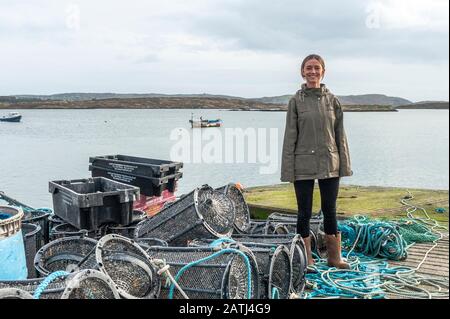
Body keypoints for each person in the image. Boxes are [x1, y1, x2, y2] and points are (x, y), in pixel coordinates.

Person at [281, 54, 353, 269]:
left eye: (317, 68)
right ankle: (307, 260)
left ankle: (334, 258)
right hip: (302, 164)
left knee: (330, 209)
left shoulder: (333, 101)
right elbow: (290, 137)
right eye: (308, 68)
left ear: (323, 71)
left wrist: (344, 166)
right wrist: (288, 170)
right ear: (302, 72)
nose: (313, 72)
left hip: (330, 163)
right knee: (304, 211)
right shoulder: (295, 101)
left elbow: (340, 136)